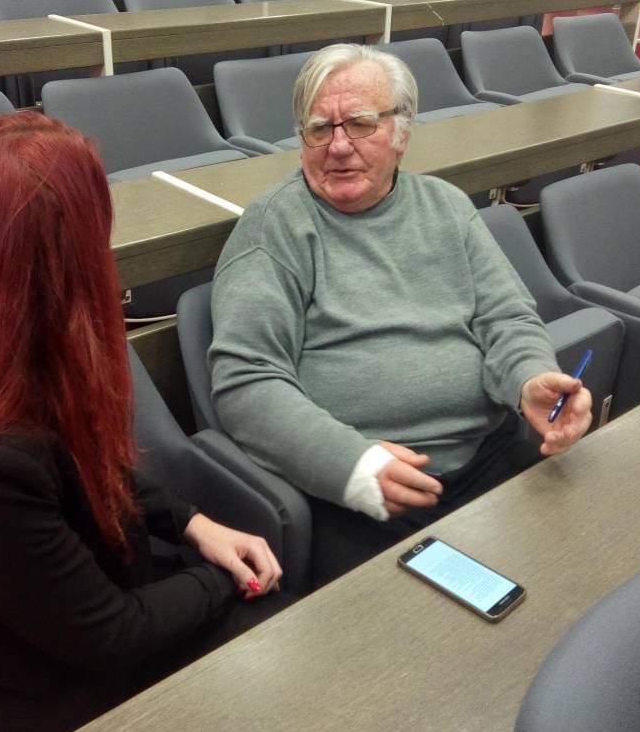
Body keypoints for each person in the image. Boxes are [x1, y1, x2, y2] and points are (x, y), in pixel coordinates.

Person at [0, 111, 284, 732]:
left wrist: (193, 523)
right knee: (273, 657)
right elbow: (111, 635)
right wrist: (225, 578)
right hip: (33, 711)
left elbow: (92, 472)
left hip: (60, 630)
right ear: (55, 259)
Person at [208, 43, 592, 585]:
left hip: (488, 456)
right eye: (319, 129)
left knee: (578, 574)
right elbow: (245, 381)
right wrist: (352, 466)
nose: (339, 146)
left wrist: (529, 377)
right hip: (363, 496)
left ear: (401, 133)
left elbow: (506, 319)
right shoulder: (275, 227)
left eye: (360, 124)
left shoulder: (446, 206)